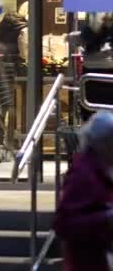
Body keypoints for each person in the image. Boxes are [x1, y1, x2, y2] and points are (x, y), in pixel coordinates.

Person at [54, 111, 113, 271]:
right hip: (86, 261)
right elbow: (64, 224)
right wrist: (106, 219)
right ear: (102, 143)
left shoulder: (103, 168)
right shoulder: (83, 173)